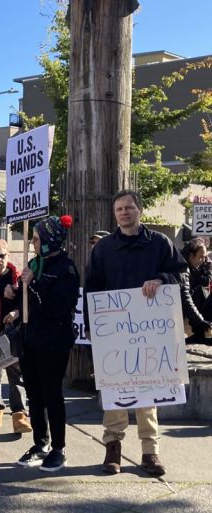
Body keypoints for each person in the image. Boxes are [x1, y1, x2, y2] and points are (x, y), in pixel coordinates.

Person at [85, 189, 186, 477]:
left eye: (129, 207)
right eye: (119, 209)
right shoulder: (102, 249)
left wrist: (160, 279)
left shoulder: (159, 243)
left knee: (148, 392)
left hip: (150, 332)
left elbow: (180, 273)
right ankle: (113, 448)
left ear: (139, 210)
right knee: (115, 391)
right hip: (114, 334)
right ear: (114, 214)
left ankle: (150, 452)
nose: (124, 213)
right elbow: (92, 286)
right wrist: (93, 327)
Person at [6, 216, 79, 472]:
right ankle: (40, 443)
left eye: (36, 239)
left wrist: (32, 284)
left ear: (49, 240)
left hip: (54, 341)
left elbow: (58, 307)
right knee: (34, 395)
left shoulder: (66, 269)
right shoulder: (34, 263)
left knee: (52, 394)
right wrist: (14, 297)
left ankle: (59, 448)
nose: (32, 242)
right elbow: (27, 301)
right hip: (31, 339)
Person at [0, 239, 31, 434]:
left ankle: (19, 414)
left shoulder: (20, 277)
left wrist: (17, 312)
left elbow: (29, 303)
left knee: (16, 374)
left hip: (14, 333)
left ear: (8, 256)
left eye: (2, 255)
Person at [180, 237, 212, 345]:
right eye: (201, 257)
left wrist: (206, 269)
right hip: (184, 311)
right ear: (190, 256)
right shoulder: (181, 269)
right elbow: (185, 298)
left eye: (204, 257)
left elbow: (205, 281)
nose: (203, 260)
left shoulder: (199, 267)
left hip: (193, 309)